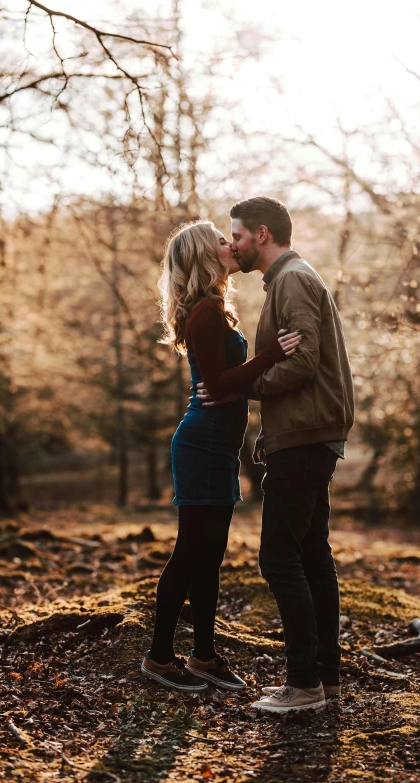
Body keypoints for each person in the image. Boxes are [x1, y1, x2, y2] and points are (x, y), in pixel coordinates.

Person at [198, 197, 354, 712]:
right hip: (308, 433)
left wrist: (247, 388)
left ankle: (304, 683)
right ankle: (324, 680)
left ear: (261, 235)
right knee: (311, 556)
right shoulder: (288, 279)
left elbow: (304, 361)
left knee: (279, 557)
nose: (233, 244)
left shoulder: (291, 280)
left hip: (305, 436)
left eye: (237, 235)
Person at [141, 220, 302, 694]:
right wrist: (271, 355)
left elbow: (222, 383)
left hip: (217, 444)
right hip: (202, 444)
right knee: (191, 552)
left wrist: (246, 376)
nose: (230, 245)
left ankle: (205, 656)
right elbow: (216, 385)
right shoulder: (205, 313)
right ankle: (159, 657)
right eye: (220, 241)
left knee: (209, 556)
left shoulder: (212, 309)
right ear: (202, 256)